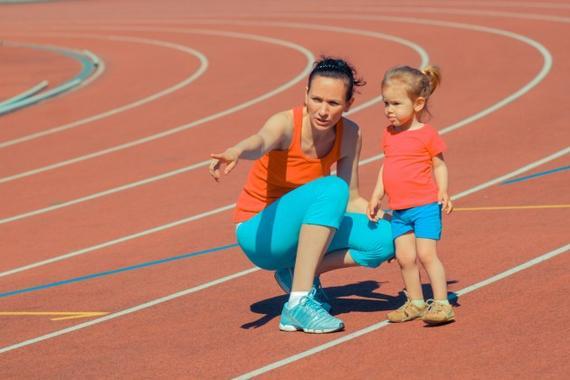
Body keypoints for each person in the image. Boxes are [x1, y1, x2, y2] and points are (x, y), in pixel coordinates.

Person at [209, 57, 394, 334]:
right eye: (316, 99)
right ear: (305, 95)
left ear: (348, 104)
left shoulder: (350, 134)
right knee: (332, 189)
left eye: (333, 103)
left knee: (386, 238)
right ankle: (298, 303)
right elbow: (260, 142)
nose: (322, 110)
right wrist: (236, 151)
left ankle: (296, 274)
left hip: (301, 230)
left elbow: (353, 198)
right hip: (259, 232)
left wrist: (385, 215)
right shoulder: (286, 124)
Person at [367, 65, 455, 325]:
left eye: (395, 103)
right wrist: (376, 195)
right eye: (385, 103)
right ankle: (415, 302)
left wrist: (443, 191)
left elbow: (439, 164)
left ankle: (442, 304)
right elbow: (388, 165)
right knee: (405, 259)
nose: (389, 110)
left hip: (425, 206)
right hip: (399, 210)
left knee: (427, 255)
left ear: (417, 104)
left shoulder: (427, 134)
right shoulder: (389, 134)